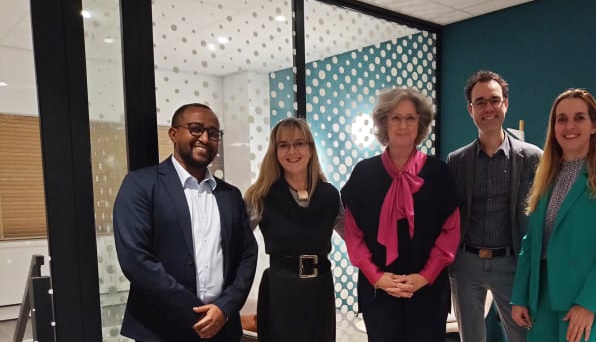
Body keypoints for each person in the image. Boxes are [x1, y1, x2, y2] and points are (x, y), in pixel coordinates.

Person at [113, 103, 258, 342]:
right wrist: (194, 313)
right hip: (160, 329)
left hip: (222, 329)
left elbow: (247, 255)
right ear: (173, 134)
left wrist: (224, 308)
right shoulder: (140, 185)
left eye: (213, 134)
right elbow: (136, 259)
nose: (205, 138)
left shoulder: (230, 195)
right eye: (195, 129)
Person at [510, 88, 596, 342]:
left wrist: (588, 304)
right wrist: (520, 295)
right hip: (542, 296)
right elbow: (531, 243)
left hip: (588, 297)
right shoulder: (547, 174)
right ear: (554, 127)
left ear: (594, 126)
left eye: (579, 117)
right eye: (561, 119)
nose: (569, 126)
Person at [342, 88, 461, 342]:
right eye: (396, 118)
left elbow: (450, 232)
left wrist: (425, 276)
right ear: (384, 122)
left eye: (411, 118)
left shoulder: (439, 173)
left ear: (421, 123)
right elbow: (353, 235)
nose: (403, 125)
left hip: (428, 291)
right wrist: (377, 277)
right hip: (380, 291)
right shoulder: (364, 174)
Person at [446, 70, 542, 342]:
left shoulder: (532, 157)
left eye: (494, 100)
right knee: (471, 338)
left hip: (511, 263)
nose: (488, 108)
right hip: (466, 263)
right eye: (480, 102)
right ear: (470, 109)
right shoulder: (457, 161)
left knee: (522, 336)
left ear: (505, 104)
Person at [243, 118, 343, 342]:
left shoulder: (330, 195)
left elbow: (355, 239)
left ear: (310, 148)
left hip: (320, 289)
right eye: (283, 145)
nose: (292, 151)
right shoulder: (259, 195)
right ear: (275, 151)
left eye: (299, 143)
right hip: (281, 291)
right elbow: (236, 244)